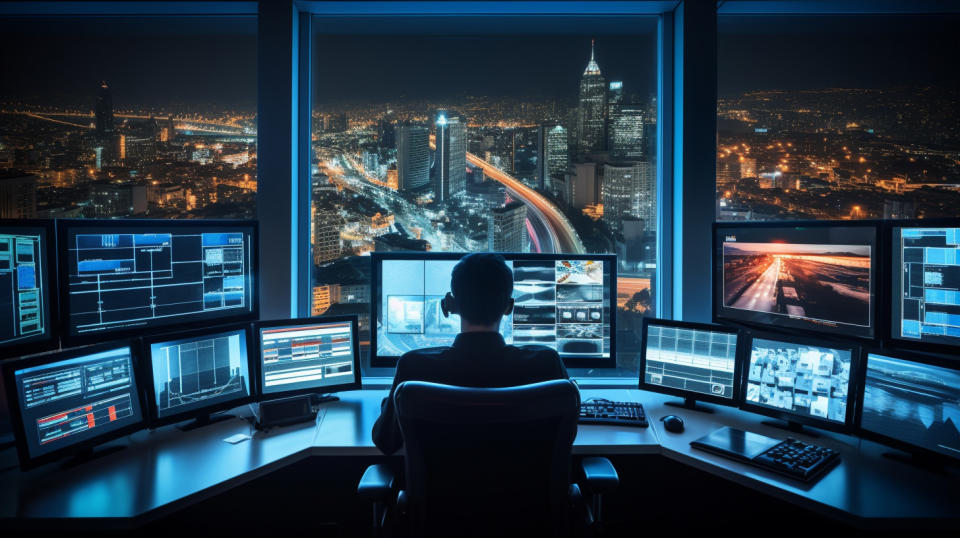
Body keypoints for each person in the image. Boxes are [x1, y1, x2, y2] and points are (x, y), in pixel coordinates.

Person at [372, 253, 569, 454]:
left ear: (449, 304)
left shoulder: (414, 368)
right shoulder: (546, 364)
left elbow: (386, 441)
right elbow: (566, 434)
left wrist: (390, 404)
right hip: (525, 486)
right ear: (509, 307)